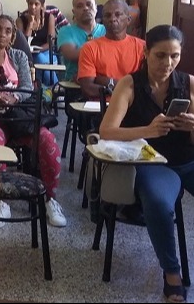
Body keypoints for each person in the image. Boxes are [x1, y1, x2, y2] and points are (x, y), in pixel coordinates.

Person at [99, 25, 193, 303]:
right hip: (151, 162)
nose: (168, 64)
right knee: (159, 202)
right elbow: (107, 131)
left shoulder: (187, 83)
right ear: (146, 52)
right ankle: (172, 273)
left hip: (186, 159)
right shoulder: (130, 84)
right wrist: (148, 130)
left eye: (174, 56)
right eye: (160, 56)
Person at [0, 14, 66, 228]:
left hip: (19, 116)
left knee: (48, 142)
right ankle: (3, 199)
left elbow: (28, 87)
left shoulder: (18, 56)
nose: (2, 33)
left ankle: (50, 199)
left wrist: (14, 97)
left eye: (8, 30)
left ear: (12, 37)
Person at [77, 0, 145, 100]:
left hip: (134, 106)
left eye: (118, 14)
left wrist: (107, 81)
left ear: (129, 20)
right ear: (102, 20)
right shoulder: (89, 48)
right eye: (107, 15)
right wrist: (124, 87)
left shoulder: (142, 47)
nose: (112, 19)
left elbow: (145, 86)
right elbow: (88, 88)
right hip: (100, 107)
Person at [57, 0, 106, 81]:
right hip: (73, 84)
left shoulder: (106, 30)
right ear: (73, 12)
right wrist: (102, 48)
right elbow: (72, 55)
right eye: (80, 6)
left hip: (105, 83)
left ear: (96, 8)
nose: (85, 8)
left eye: (89, 4)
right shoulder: (66, 31)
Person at [16, 0, 58, 84]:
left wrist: (39, 50)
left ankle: (45, 86)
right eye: (30, 4)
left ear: (42, 6)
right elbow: (22, 42)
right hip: (27, 52)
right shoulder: (20, 20)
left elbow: (51, 41)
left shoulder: (49, 17)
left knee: (38, 58)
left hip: (46, 51)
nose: (33, 7)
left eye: (36, 4)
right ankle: (53, 86)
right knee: (35, 58)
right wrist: (30, 24)